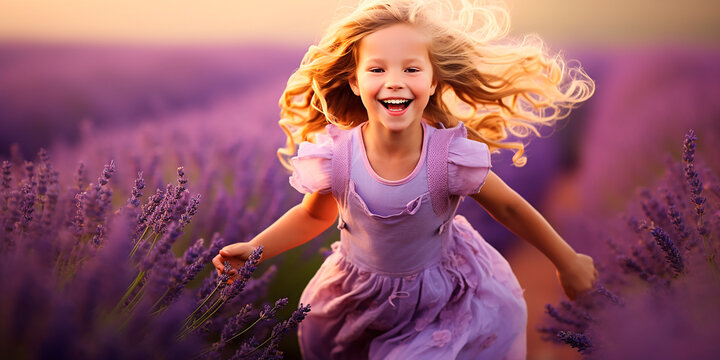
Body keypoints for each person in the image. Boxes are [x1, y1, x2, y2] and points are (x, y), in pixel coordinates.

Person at [213, 0, 598, 358]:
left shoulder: (448, 159)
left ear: (433, 82)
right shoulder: (338, 157)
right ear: (354, 81)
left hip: (437, 303)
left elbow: (511, 208)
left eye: (411, 69)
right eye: (377, 69)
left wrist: (568, 261)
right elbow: (314, 216)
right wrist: (255, 248)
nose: (395, 81)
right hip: (357, 297)